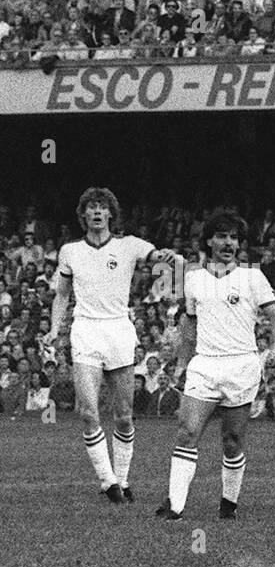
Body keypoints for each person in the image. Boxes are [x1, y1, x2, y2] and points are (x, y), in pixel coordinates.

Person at [44, 187, 176, 504]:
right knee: (88, 413)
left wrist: (166, 258)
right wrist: (53, 328)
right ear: (84, 215)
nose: (97, 212)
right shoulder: (70, 251)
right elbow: (62, 295)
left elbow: (157, 256)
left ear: (111, 214)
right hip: (86, 331)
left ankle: (124, 479)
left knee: (124, 416)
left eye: (102, 207)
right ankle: (108, 483)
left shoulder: (128, 245)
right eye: (91, 207)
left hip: (118, 330)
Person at [157, 212, 275, 520]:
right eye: (222, 236)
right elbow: (189, 326)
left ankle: (228, 503)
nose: (228, 243)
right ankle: (174, 505)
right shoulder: (193, 278)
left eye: (233, 238)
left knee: (232, 440)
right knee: (187, 431)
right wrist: (183, 363)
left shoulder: (252, 277)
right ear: (209, 241)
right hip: (205, 365)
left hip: (241, 365)